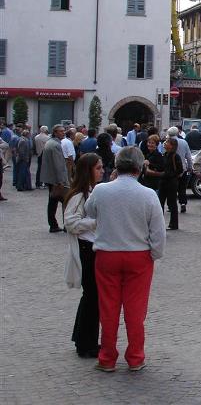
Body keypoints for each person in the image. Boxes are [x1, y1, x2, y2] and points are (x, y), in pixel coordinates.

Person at [85, 147, 166, 372]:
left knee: (108, 308)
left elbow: (88, 211)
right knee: (136, 310)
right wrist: (155, 254)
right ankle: (135, 357)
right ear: (140, 168)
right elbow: (158, 232)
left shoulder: (101, 191)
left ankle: (107, 357)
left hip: (107, 254)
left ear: (116, 166)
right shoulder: (148, 194)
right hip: (138, 255)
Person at [64, 153, 103, 358]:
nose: (101, 171)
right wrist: (95, 222)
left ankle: (83, 339)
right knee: (92, 296)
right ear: (87, 170)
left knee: (91, 297)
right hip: (86, 249)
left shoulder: (91, 191)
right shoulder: (79, 195)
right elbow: (70, 223)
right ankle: (86, 343)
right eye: (98, 168)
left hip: (91, 247)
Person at [41, 124, 69, 232]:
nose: (63, 132)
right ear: (55, 132)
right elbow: (59, 165)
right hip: (56, 180)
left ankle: (53, 224)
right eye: (61, 131)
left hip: (50, 178)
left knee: (52, 202)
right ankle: (66, 225)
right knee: (66, 201)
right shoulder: (55, 145)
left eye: (64, 131)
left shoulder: (50, 142)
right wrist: (61, 181)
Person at [159, 137, 183, 230]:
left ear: (172, 146)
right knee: (160, 203)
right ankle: (159, 223)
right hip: (163, 182)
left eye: (167, 142)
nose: (165, 144)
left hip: (171, 182)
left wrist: (170, 175)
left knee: (172, 203)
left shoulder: (175, 156)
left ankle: (174, 224)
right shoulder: (164, 155)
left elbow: (180, 170)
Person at [166, 127, 192, 213]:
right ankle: (183, 203)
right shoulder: (184, 142)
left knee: (171, 189)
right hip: (182, 169)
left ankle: (170, 205)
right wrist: (189, 167)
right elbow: (188, 156)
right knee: (182, 188)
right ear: (178, 133)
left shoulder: (167, 143)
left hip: (171, 169)